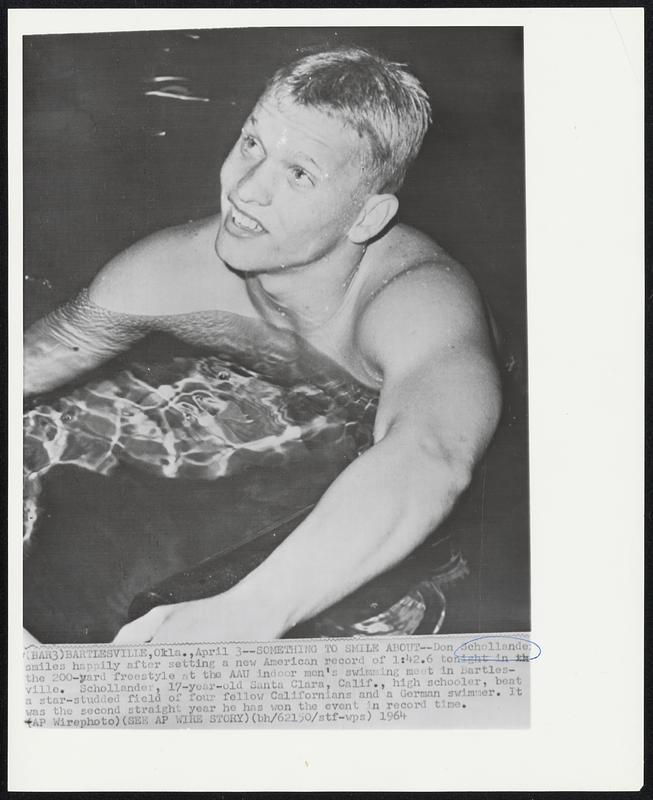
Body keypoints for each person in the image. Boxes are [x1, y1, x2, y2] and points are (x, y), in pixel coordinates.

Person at [23, 46, 501, 643]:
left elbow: (430, 452)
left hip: (390, 465)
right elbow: (28, 369)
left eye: (299, 173)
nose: (245, 191)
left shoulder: (415, 301)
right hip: (245, 412)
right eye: (252, 144)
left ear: (366, 216)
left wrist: (245, 614)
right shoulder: (166, 272)